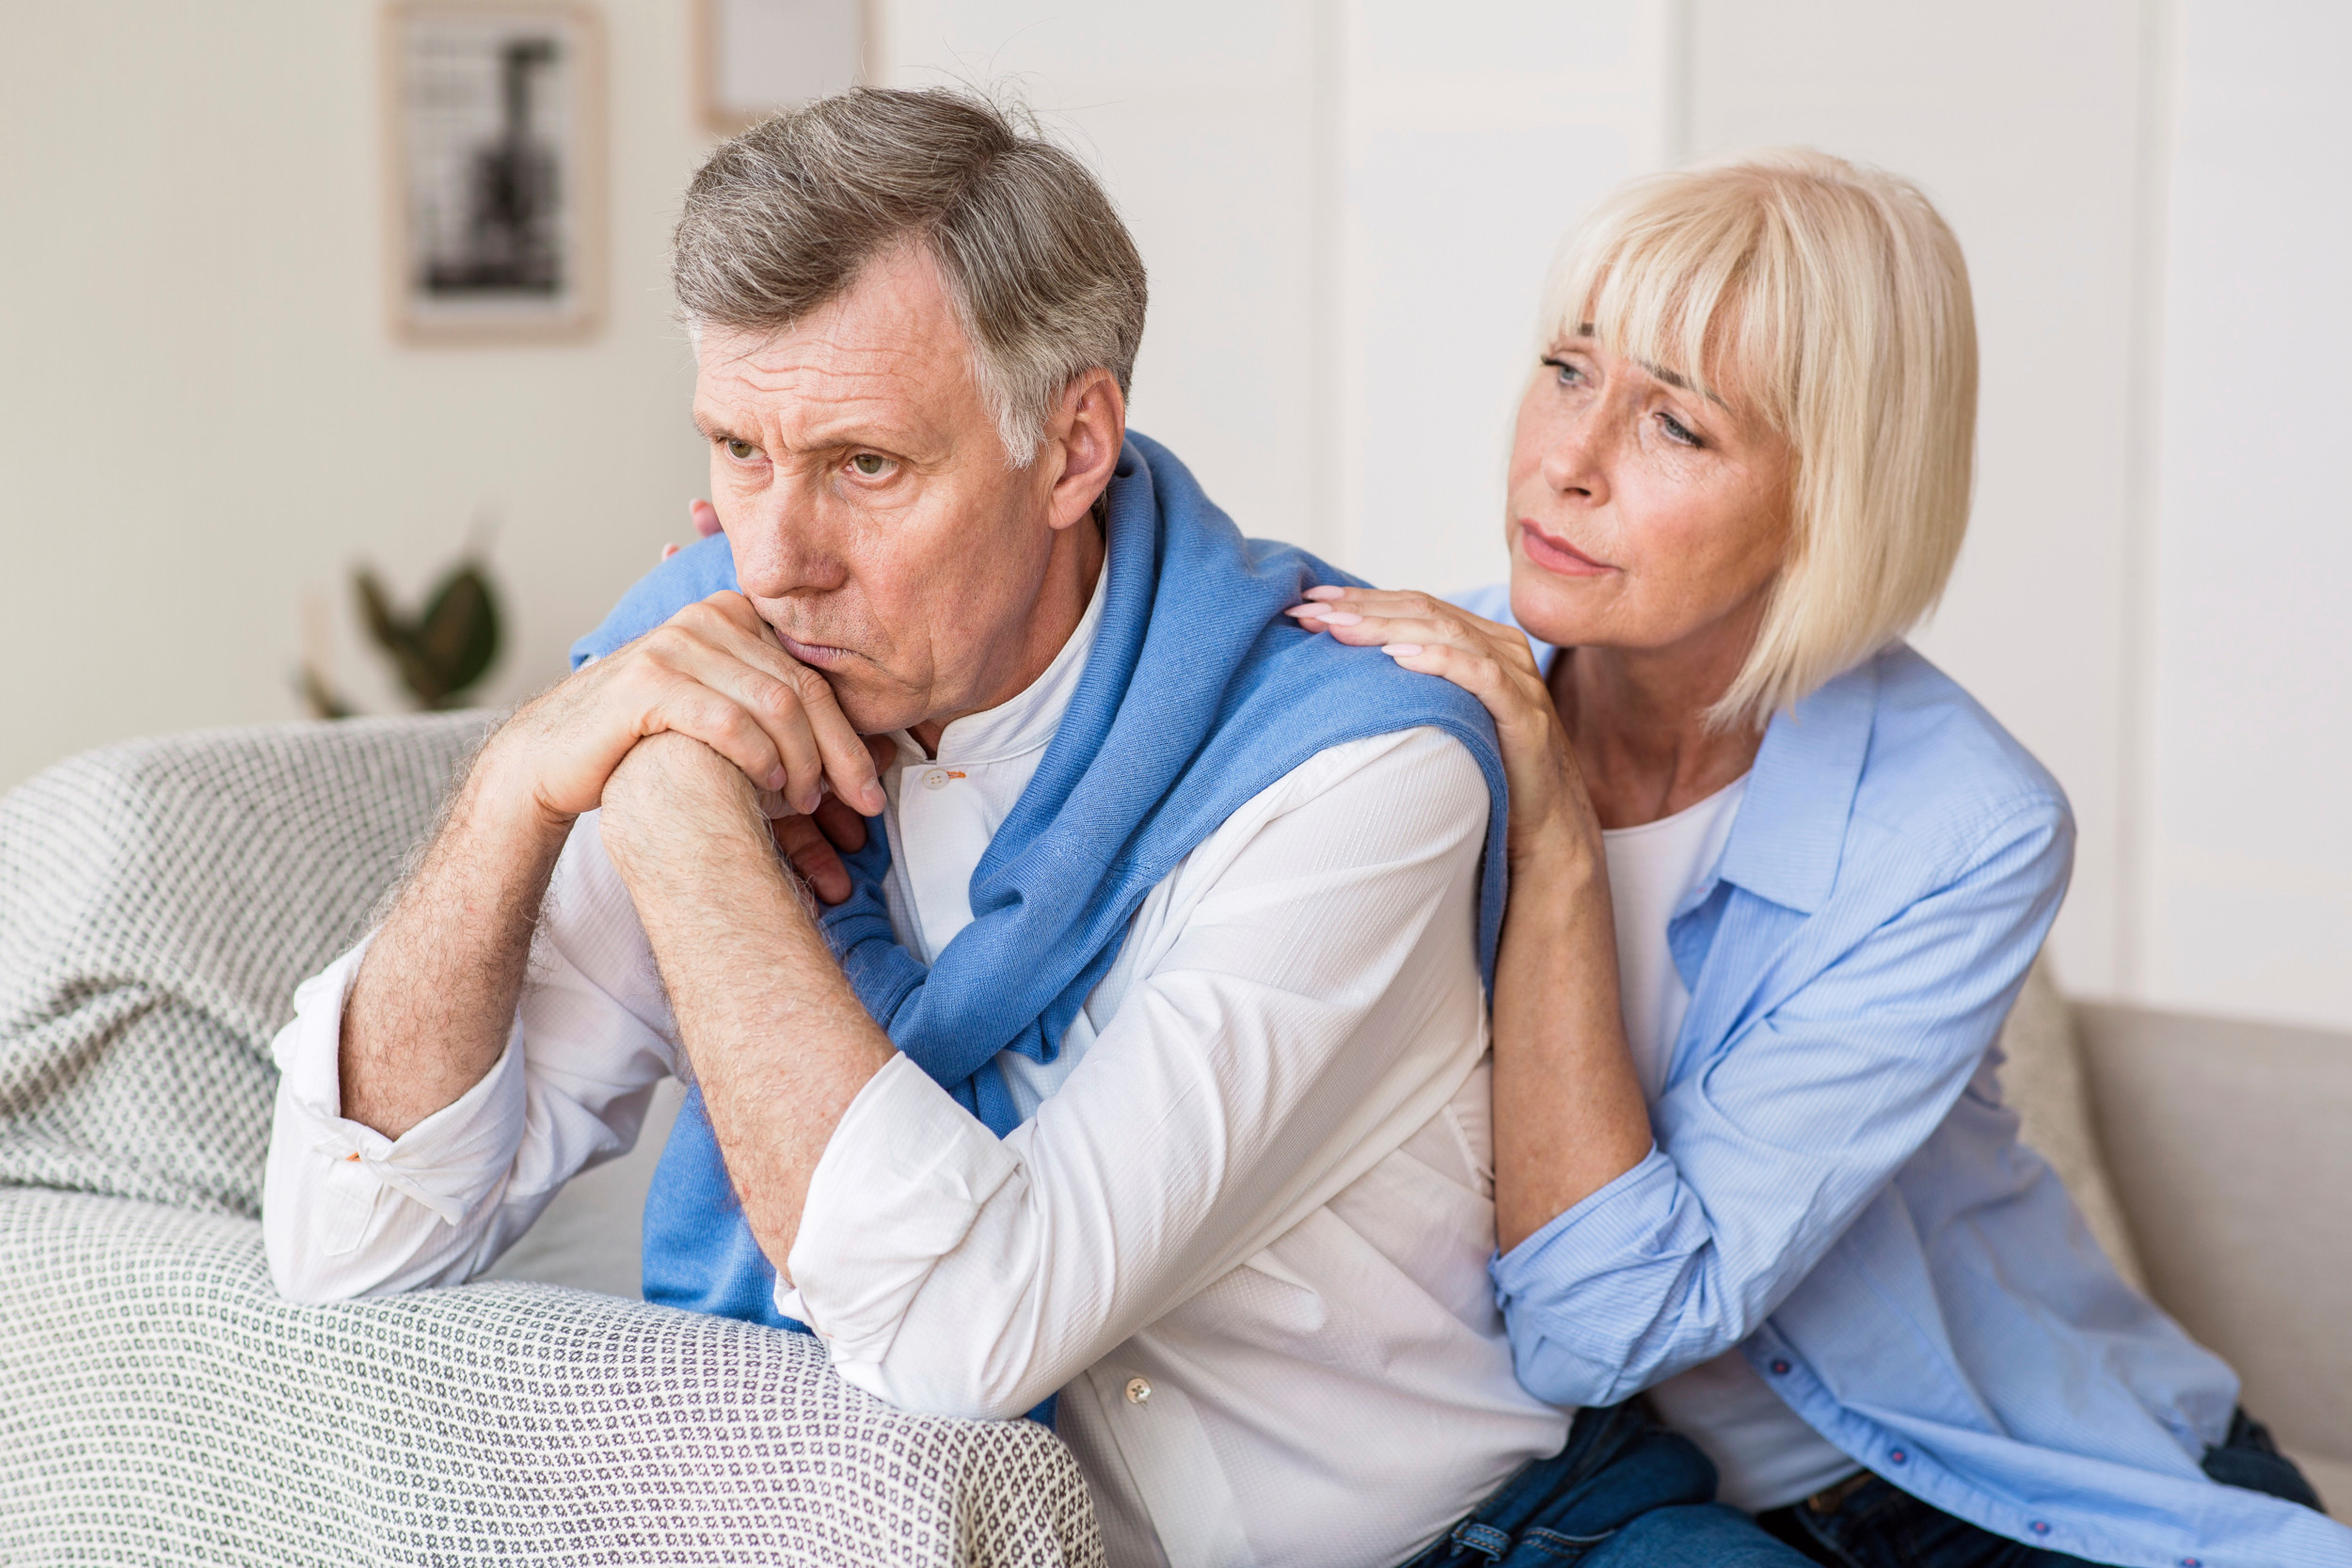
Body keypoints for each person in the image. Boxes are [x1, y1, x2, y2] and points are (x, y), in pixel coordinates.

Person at [261, 89, 1813, 1568]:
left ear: (1072, 448)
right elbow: (354, 1237)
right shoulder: (719, 673)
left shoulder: (1355, 773)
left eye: (865, 465)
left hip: (1492, 1540)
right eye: (737, 452)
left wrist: (670, 816)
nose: (779, 557)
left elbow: (963, 1328)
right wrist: (529, 774)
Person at [1289, 150, 2352, 1568]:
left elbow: (1607, 1320)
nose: (1568, 459)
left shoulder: (1965, 830)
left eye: (1674, 424)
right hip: (1636, 1502)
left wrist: (1555, 839)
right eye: (1565, 368)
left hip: (2015, 1483)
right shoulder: (1411, 700)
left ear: (1829, 500)